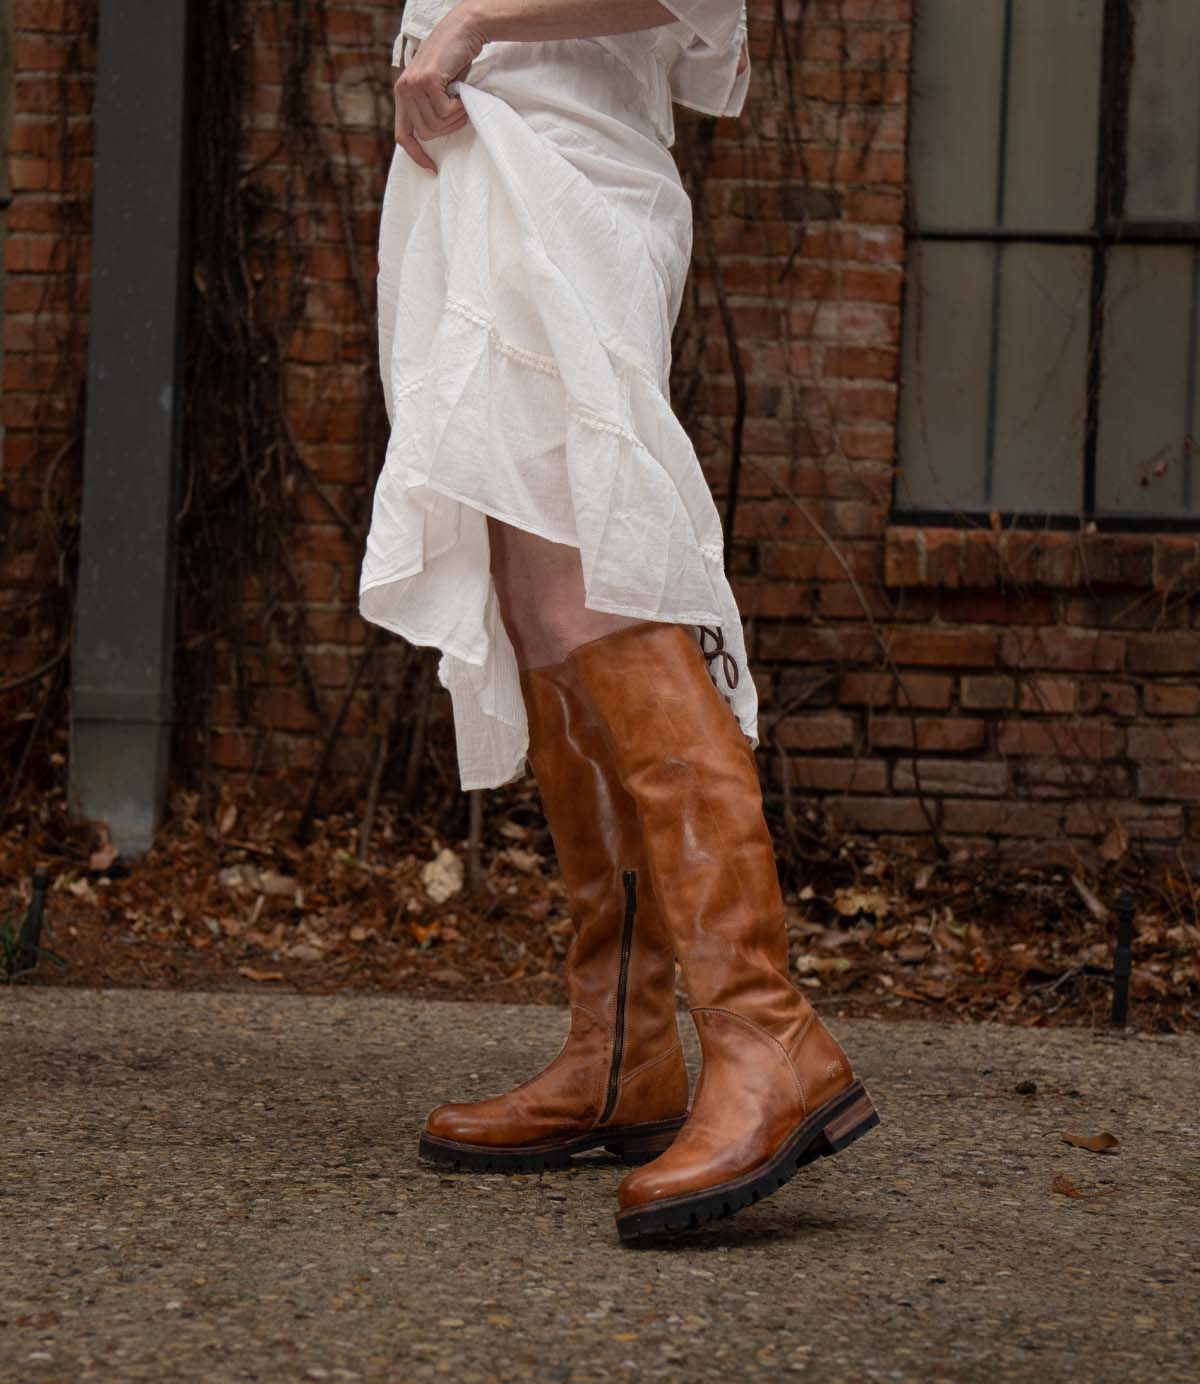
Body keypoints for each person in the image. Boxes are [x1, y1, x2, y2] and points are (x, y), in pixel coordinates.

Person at [359, 0, 878, 1242]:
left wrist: (474, 23)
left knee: (598, 587)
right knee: (543, 618)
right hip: (483, 178)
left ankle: (764, 1034)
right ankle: (624, 1052)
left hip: (562, 182)